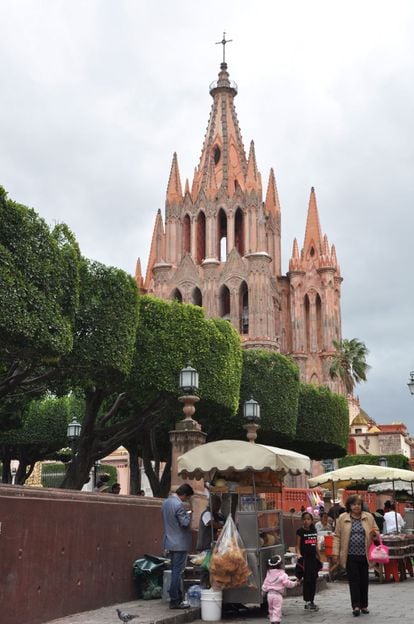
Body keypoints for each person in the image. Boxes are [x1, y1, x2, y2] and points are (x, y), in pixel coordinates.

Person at [332, 494, 379, 617]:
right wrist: (335, 553)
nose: (356, 507)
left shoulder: (368, 517)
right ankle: (356, 606)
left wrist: (374, 533)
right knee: (354, 581)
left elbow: (377, 531)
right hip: (350, 555)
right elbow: (337, 537)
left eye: (358, 504)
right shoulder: (342, 518)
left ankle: (364, 605)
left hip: (365, 554)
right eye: (354, 504)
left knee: (364, 580)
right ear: (349, 506)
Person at [161, 483, 194, 609]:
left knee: (174, 569)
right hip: (179, 542)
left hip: (169, 541)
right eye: (187, 497)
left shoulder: (166, 503)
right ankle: (175, 598)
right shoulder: (178, 504)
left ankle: (176, 596)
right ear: (184, 494)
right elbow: (184, 523)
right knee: (177, 571)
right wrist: (189, 514)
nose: (186, 500)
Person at [196, 495, 225, 587]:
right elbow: (211, 523)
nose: (219, 507)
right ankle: (204, 587)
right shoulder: (206, 514)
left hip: (211, 546)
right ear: (212, 504)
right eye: (217, 504)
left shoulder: (215, 515)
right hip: (205, 546)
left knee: (211, 569)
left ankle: (209, 586)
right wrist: (223, 526)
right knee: (205, 568)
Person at [296, 511, 321, 611]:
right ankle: (307, 601)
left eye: (308, 519)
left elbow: (315, 546)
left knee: (313, 579)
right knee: (307, 580)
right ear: (302, 520)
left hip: (313, 559)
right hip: (305, 559)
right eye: (304, 519)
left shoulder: (313, 531)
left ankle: (312, 600)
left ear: (311, 520)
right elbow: (297, 545)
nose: (306, 521)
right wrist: (298, 555)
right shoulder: (300, 531)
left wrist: (319, 556)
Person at [262, 555, 299, 624]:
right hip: (277, 595)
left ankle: (272, 620)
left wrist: (263, 591)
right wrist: (295, 583)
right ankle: (276, 621)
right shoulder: (282, 574)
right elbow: (288, 583)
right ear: (280, 565)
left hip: (269, 595)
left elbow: (265, 584)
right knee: (277, 609)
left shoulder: (269, 573)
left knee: (271, 609)